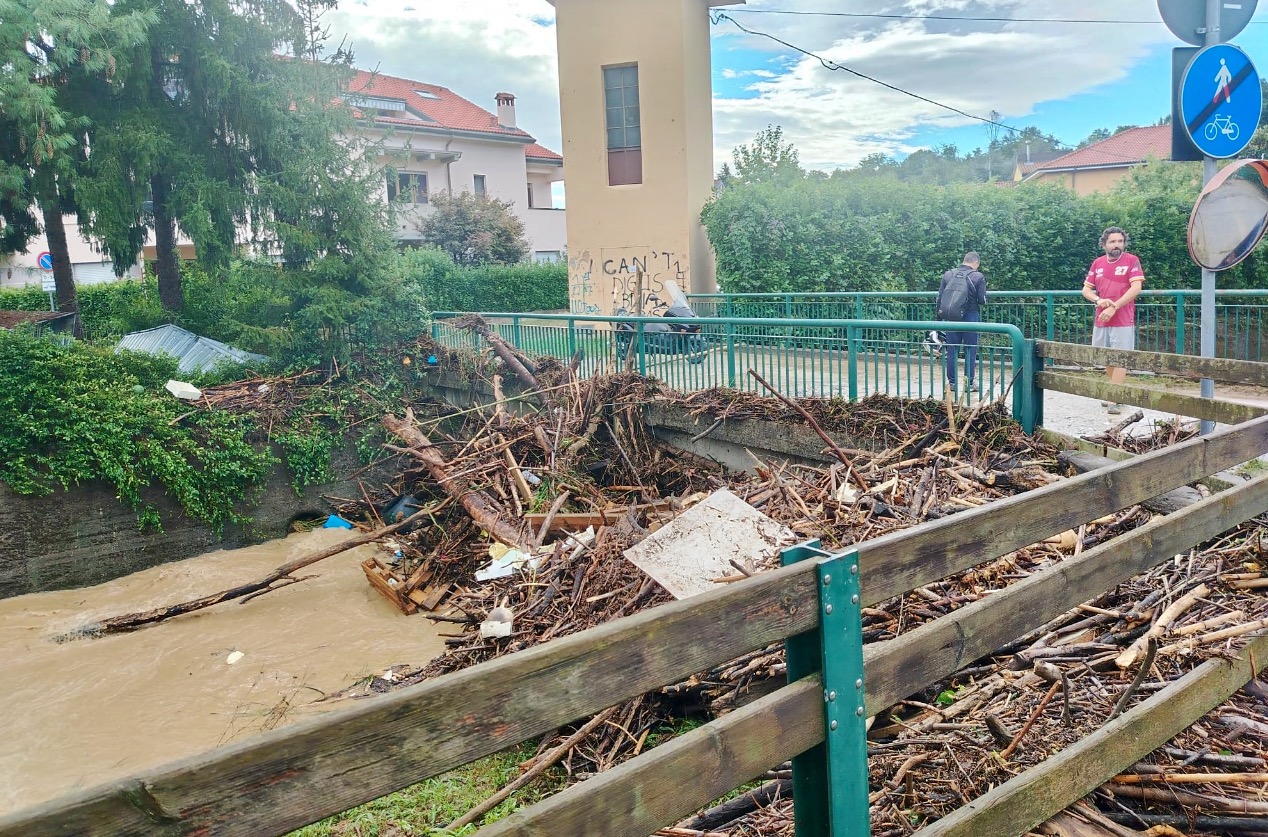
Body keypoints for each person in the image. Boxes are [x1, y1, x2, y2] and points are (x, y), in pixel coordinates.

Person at [1081, 226, 1145, 414]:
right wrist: (1099, 300)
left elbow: (1136, 288)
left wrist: (1114, 306)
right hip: (1101, 318)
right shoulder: (1098, 263)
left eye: (1120, 241)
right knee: (1103, 357)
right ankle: (1119, 391)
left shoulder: (1132, 260)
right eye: (1112, 241)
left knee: (1121, 358)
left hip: (1123, 318)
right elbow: (1086, 290)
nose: (1117, 245)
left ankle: (1115, 396)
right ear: (1104, 244)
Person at [937, 251, 988, 401]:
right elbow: (982, 300)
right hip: (970, 316)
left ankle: (952, 383)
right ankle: (969, 383)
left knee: (952, 349)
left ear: (964, 260)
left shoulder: (948, 274)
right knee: (970, 350)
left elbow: (939, 298)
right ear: (976, 263)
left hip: (952, 318)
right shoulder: (977, 276)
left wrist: (938, 320)